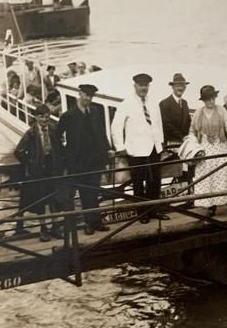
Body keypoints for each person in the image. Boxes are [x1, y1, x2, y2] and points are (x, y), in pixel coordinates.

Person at [111, 73, 168, 223]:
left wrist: (160, 143)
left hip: (154, 149)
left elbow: (158, 124)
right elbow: (116, 126)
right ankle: (142, 213)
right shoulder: (126, 104)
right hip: (136, 150)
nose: (143, 88)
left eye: (146, 85)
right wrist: (120, 147)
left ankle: (154, 210)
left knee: (155, 181)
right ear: (135, 86)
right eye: (141, 85)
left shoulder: (153, 103)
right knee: (138, 182)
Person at [55, 84, 112, 234]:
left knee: (94, 191)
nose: (88, 98)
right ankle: (89, 223)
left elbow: (102, 133)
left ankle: (96, 222)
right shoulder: (69, 115)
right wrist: (65, 155)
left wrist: (107, 150)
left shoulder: (95, 111)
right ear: (79, 94)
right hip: (78, 163)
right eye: (86, 95)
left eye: (91, 96)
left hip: (95, 160)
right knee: (84, 192)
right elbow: (57, 136)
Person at [14, 104, 67, 241]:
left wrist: (61, 162)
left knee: (54, 199)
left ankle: (55, 226)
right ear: (36, 117)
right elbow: (18, 151)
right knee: (40, 201)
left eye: (47, 116)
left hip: (52, 168)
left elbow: (60, 148)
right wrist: (30, 163)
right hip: (38, 171)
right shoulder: (31, 133)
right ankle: (43, 229)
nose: (45, 119)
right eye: (42, 117)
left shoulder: (53, 129)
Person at [190, 85, 227, 216]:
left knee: (225, 173)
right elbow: (192, 130)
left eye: (213, 98)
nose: (211, 101)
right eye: (208, 99)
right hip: (206, 149)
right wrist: (193, 146)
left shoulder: (221, 111)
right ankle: (210, 205)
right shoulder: (198, 113)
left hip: (220, 147)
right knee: (207, 176)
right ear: (203, 100)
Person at [159, 73, 191, 146]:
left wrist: (189, 136)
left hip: (185, 142)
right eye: (177, 86)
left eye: (182, 86)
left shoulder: (185, 103)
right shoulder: (164, 103)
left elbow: (188, 121)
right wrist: (182, 137)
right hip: (171, 144)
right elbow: (166, 125)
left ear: (185, 88)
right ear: (172, 87)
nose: (180, 88)